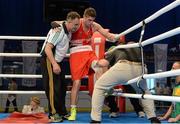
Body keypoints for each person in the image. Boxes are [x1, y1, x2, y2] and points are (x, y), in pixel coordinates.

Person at [51, 7, 121, 121]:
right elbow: (56, 23)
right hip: (76, 53)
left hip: (88, 51)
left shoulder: (95, 26)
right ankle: (73, 111)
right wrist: (55, 25)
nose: (90, 22)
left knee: (98, 66)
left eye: (92, 20)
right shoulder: (77, 23)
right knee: (77, 83)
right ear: (84, 17)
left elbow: (109, 36)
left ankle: (105, 88)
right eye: (88, 20)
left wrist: (116, 37)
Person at [90, 41, 160, 123]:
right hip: (141, 69)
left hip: (123, 68)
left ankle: (96, 120)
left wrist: (94, 63)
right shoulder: (138, 48)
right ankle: (153, 117)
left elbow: (104, 63)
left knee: (99, 86)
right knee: (144, 91)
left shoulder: (117, 48)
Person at [40, 11, 80, 122]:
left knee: (62, 87)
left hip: (57, 61)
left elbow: (59, 22)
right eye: (75, 25)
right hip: (49, 59)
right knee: (53, 88)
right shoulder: (59, 31)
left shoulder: (68, 30)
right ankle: (53, 114)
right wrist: (54, 64)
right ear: (69, 22)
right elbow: (48, 48)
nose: (77, 27)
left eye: (78, 25)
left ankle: (61, 112)